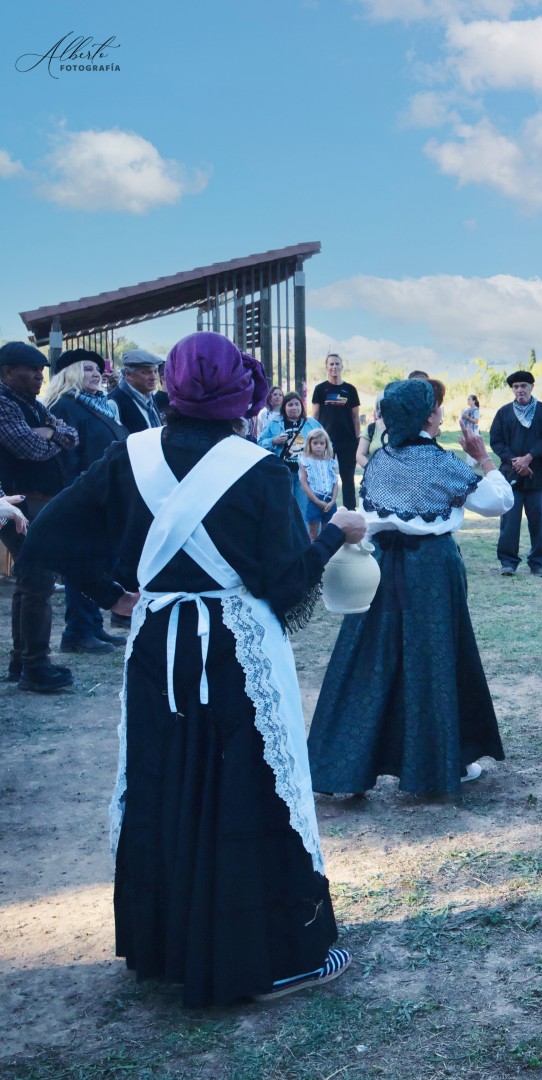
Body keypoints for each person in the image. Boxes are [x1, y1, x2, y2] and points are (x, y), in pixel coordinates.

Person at [19, 330, 368, 1006]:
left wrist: (111, 595)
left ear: (174, 383)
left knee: (167, 779)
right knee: (244, 789)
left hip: (157, 642)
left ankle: (170, 944)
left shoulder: (131, 454)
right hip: (235, 649)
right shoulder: (260, 467)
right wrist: (335, 534)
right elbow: (286, 584)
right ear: (237, 387)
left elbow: (51, 532)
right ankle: (266, 960)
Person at [307, 378, 513, 798]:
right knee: (433, 660)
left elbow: (368, 519)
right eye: (434, 407)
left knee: (371, 661)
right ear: (425, 415)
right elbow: (499, 502)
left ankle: (344, 764)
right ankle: (438, 765)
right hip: (433, 570)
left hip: (382, 567)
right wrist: (484, 458)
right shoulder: (443, 463)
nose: (439, 413)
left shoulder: (381, 461)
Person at [0, 340, 79, 691]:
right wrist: (50, 438)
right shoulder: (3, 404)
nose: (38, 377)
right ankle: (35, 666)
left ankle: (24, 661)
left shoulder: (32, 406)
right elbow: (27, 448)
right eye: (31, 370)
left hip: (37, 501)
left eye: (42, 372)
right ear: (6, 372)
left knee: (31, 580)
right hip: (20, 503)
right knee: (39, 582)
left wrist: (49, 432)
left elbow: (71, 435)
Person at [42, 348, 131, 653]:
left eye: (99, 369)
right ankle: (77, 631)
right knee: (84, 564)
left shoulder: (98, 406)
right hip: (85, 497)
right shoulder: (65, 407)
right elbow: (67, 459)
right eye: (89, 369)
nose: (98, 374)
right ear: (71, 373)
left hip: (104, 496)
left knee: (100, 564)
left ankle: (93, 626)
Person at [489, 370, 542, 577]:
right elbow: (496, 441)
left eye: (523, 386)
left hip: (536, 476)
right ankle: (508, 562)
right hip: (511, 476)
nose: (520, 390)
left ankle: (538, 563)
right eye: (516, 387)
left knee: (538, 520)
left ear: (532, 387)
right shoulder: (503, 413)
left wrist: (528, 458)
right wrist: (516, 461)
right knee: (509, 521)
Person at [310, 353, 362, 510]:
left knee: (348, 478)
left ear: (342, 367)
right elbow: (315, 416)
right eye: (331, 364)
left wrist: (357, 438)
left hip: (348, 441)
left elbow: (355, 417)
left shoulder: (350, 389)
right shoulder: (320, 389)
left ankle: (350, 511)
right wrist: (314, 439)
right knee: (324, 477)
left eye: (337, 364)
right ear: (327, 367)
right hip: (325, 441)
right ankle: (324, 509)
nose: (334, 367)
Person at [259, 393, 323, 518]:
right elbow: (260, 443)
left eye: (297, 404)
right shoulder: (274, 423)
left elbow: (326, 443)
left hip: (306, 474)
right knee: (284, 509)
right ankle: (287, 536)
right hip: (283, 473)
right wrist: (274, 441)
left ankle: (304, 537)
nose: (294, 407)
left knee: (303, 509)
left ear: (302, 406)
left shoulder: (311, 424)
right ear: (284, 407)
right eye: (290, 405)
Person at [108, 350, 165, 433]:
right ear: (129, 375)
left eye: (155, 371)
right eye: (146, 372)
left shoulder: (149, 397)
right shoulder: (114, 402)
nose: (154, 377)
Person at [297, 428, 339, 540]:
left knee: (327, 533)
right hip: (314, 501)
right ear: (309, 444)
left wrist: (333, 501)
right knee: (313, 534)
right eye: (315, 443)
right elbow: (304, 483)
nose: (318, 446)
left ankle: (326, 555)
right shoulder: (305, 461)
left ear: (326, 445)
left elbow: (335, 483)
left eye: (322, 443)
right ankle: (312, 555)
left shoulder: (330, 462)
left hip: (329, 501)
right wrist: (316, 500)